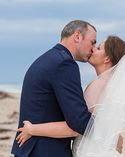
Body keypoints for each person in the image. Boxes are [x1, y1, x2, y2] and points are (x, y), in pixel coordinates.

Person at [16, 36, 125, 157]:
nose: (92, 49)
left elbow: (77, 126)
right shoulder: (111, 87)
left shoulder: (99, 85)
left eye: (98, 48)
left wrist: (33, 129)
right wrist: (112, 138)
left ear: (107, 59)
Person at [11, 20, 97, 157]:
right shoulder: (64, 64)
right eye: (92, 42)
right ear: (77, 37)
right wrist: (110, 136)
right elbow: (78, 120)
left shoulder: (48, 59)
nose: (93, 48)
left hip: (31, 149)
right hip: (46, 151)